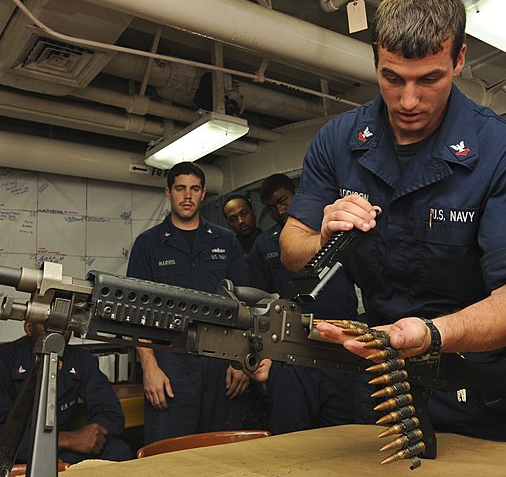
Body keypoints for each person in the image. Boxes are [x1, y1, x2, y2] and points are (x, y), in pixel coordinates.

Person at [280, 0, 506, 444]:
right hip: (384, 386)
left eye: (429, 79)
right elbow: (293, 248)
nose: (408, 101)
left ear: (460, 59)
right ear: (375, 61)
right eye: (393, 78)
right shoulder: (337, 142)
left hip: (482, 393)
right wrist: (325, 237)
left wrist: (431, 333)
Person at [126, 161, 250, 444]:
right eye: (180, 188)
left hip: (221, 366)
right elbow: (135, 313)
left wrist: (241, 362)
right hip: (170, 367)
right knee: (168, 456)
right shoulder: (148, 244)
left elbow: (245, 308)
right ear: (168, 193)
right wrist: (150, 368)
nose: (187, 196)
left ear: (203, 194)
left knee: (223, 456)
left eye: (194, 189)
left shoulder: (226, 241)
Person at [250, 173, 360, 434]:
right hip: (293, 352)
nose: (279, 210)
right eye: (271, 207)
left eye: (283, 201)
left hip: (342, 346)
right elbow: (257, 302)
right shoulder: (264, 245)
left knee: (346, 437)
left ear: (297, 194)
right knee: (292, 438)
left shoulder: (334, 230)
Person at [0, 321, 133, 467]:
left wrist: (90, 434)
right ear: (29, 328)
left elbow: (113, 416)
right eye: (47, 325)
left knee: (119, 451)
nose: (57, 331)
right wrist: (64, 440)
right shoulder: (0, 363)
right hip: (16, 457)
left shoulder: (81, 360)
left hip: (64, 455)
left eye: (64, 325)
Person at [221, 194, 261, 268]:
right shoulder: (229, 252)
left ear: (254, 212)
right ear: (228, 224)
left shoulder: (271, 242)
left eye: (244, 214)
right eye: (233, 219)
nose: (240, 221)